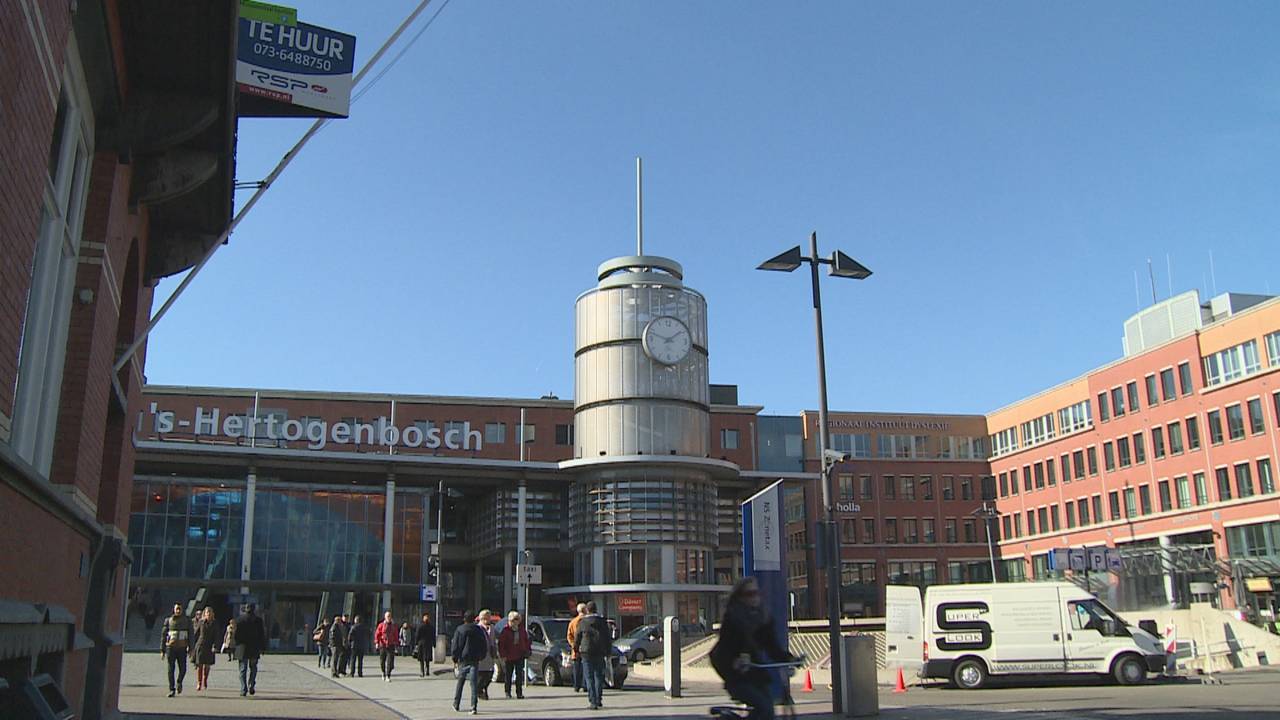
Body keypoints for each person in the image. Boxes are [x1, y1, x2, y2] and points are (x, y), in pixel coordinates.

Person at [710, 577, 794, 720]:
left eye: (756, 593)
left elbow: (771, 646)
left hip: (756, 674)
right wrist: (736, 661)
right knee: (764, 709)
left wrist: (789, 659)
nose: (755, 597)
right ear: (741, 597)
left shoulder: (763, 618)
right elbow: (725, 648)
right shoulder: (733, 619)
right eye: (750, 594)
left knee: (769, 711)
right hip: (737, 677)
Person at [451, 609, 489, 715]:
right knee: (474, 684)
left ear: (464, 619)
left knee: (460, 683)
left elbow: (456, 645)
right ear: (474, 619)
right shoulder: (478, 630)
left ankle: (456, 704)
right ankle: (473, 707)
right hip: (474, 660)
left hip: (463, 660)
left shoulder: (460, 629)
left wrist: (455, 657)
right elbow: (483, 644)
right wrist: (481, 656)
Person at [574, 601, 611, 710]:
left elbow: (577, 637)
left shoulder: (582, 622)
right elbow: (607, 638)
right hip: (599, 651)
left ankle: (592, 701)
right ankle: (599, 699)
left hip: (586, 652)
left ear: (587, 610)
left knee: (589, 677)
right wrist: (608, 652)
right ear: (596, 609)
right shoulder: (602, 622)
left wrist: (576, 649)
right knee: (598, 676)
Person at [234, 603, 268, 697]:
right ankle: (251, 684)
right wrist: (263, 647)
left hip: (242, 647)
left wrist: (235, 646)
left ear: (245, 609)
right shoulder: (258, 620)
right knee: (253, 668)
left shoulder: (239, 620)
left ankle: (243, 688)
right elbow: (262, 635)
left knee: (242, 669)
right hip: (254, 647)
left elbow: (236, 635)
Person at [159, 603, 193, 698]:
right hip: (171, 647)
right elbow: (163, 635)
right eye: (176, 609)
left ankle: (179, 682)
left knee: (183, 668)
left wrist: (191, 648)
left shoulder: (187, 621)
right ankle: (171, 689)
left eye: (180, 609)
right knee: (171, 669)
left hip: (182, 648)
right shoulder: (168, 620)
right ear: (173, 610)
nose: (178, 611)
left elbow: (191, 635)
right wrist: (162, 650)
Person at [497, 611, 532, 699]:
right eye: (513, 620)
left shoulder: (521, 630)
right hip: (508, 656)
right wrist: (503, 655)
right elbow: (501, 644)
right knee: (508, 675)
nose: (515, 622)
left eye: (516, 619)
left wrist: (527, 650)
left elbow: (526, 641)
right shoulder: (505, 631)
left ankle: (519, 692)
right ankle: (507, 692)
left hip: (519, 655)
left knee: (519, 675)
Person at [189, 607, 219, 692]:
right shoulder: (201, 622)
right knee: (199, 665)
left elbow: (217, 636)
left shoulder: (215, 623)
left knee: (207, 665)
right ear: (204, 614)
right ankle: (199, 682)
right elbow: (196, 633)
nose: (208, 614)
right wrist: (191, 645)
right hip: (201, 645)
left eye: (210, 612)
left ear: (212, 614)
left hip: (210, 646)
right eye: (207, 613)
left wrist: (215, 646)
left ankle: (205, 679)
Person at [475, 610, 499, 701]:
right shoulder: (477, 628)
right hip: (481, 654)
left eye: (488, 618)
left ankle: (482, 689)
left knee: (490, 674)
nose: (487, 620)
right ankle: (479, 691)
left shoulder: (492, 628)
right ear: (481, 618)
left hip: (490, 654)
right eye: (485, 618)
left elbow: (494, 639)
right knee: (481, 675)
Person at [566, 603, 587, 693]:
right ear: (585, 610)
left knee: (577, 668)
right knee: (586, 668)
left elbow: (569, 636)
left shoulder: (573, 622)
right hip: (586, 648)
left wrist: (573, 645)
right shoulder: (587, 621)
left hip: (576, 649)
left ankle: (576, 686)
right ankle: (585, 685)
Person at [376, 611, 398, 681]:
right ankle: (383, 672)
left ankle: (388, 675)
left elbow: (396, 635)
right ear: (385, 617)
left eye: (390, 616)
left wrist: (396, 643)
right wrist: (377, 642)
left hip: (391, 645)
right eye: (387, 616)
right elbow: (377, 634)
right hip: (383, 645)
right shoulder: (381, 625)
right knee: (382, 660)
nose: (389, 617)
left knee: (390, 661)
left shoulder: (394, 626)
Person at [414, 612, 436, 677]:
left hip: (422, 643)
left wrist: (416, 643)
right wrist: (434, 644)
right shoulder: (431, 627)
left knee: (422, 659)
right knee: (426, 658)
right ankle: (426, 671)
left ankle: (422, 671)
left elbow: (417, 635)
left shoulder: (420, 626)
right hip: (428, 644)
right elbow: (433, 636)